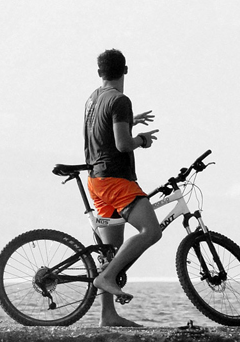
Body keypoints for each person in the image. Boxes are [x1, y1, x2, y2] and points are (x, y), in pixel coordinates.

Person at [83, 49, 162, 327]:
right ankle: (106, 278)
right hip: (116, 180)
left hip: (96, 180)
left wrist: (130, 120)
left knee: (110, 251)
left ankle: (108, 315)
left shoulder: (93, 98)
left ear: (99, 73)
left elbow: (102, 130)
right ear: (125, 70)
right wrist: (141, 139)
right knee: (151, 231)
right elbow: (122, 144)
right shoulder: (120, 100)